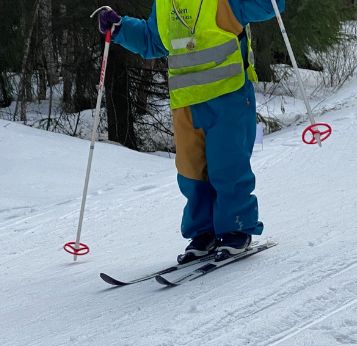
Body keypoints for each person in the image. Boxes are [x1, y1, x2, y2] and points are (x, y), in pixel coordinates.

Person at [97, 1, 285, 263]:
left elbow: (268, 7)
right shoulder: (165, 4)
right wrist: (120, 29)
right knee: (191, 171)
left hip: (228, 96)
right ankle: (203, 233)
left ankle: (236, 228)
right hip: (186, 102)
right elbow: (153, 40)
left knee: (227, 165)